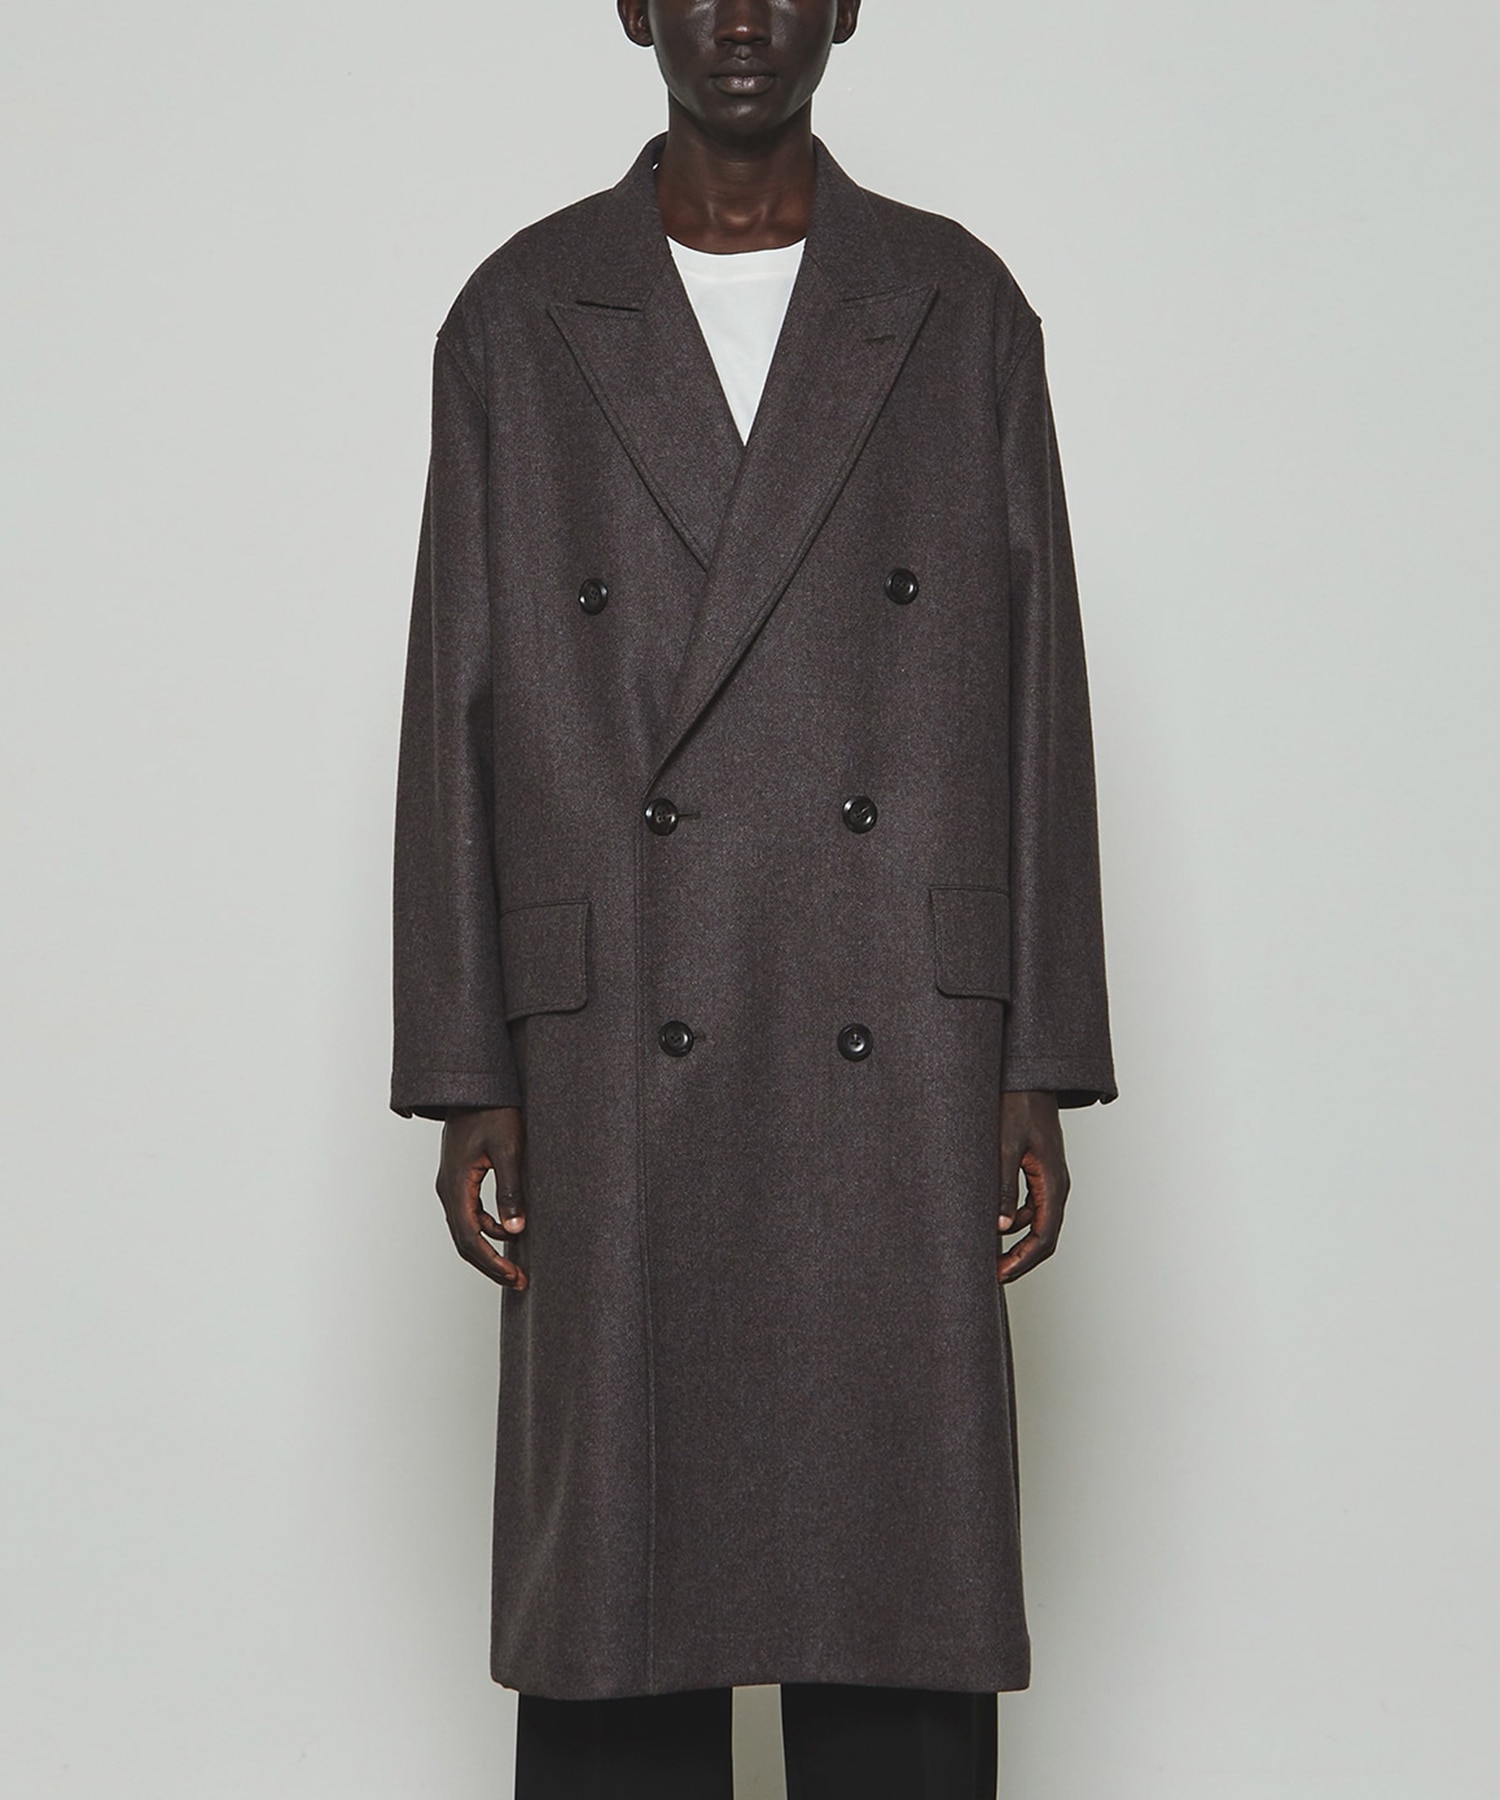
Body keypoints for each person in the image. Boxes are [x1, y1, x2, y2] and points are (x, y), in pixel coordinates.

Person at [390, 2, 1116, 1793]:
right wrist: (469, 1067)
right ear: (632, 7)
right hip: (618, 1036)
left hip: (900, 1031)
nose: (740, 14)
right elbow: (456, 692)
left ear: (848, 4)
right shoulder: (520, 315)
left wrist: (1040, 1053)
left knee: (894, 1595)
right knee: (620, 1610)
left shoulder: (955, 307)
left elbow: (1039, 684)